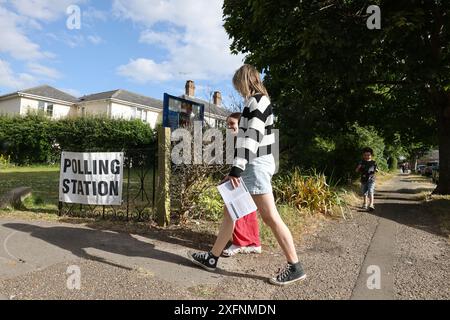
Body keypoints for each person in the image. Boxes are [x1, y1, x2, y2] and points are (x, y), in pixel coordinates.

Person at [189, 64, 306, 286]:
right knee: (230, 210)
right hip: (252, 164)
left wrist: (237, 169)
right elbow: (246, 140)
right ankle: (212, 258)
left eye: (238, 85)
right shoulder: (254, 103)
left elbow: (252, 136)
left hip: (256, 165)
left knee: (270, 216)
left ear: (245, 81)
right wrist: (236, 168)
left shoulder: (258, 101)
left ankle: (295, 266)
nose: (238, 90)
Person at [222, 113, 262, 257]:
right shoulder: (240, 139)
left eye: (232, 123)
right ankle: (253, 243)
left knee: (237, 209)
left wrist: (236, 175)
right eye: (228, 123)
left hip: (249, 177)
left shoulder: (244, 139)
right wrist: (231, 174)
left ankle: (239, 243)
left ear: (241, 124)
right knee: (247, 211)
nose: (229, 126)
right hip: (245, 176)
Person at [355, 147, 378, 212]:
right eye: (365, 155)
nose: (367, 156)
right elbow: (356, 170)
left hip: (371, 179)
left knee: (371, 191)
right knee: (364, 192)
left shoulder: (374, 162)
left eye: (368, 155)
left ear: (371, 155)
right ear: (363, 155)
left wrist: (376, 170)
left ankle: (371, 204)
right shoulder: (361, 162)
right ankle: (365, 203)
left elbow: (377, 169)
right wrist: (359, 167)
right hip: (363, 179)